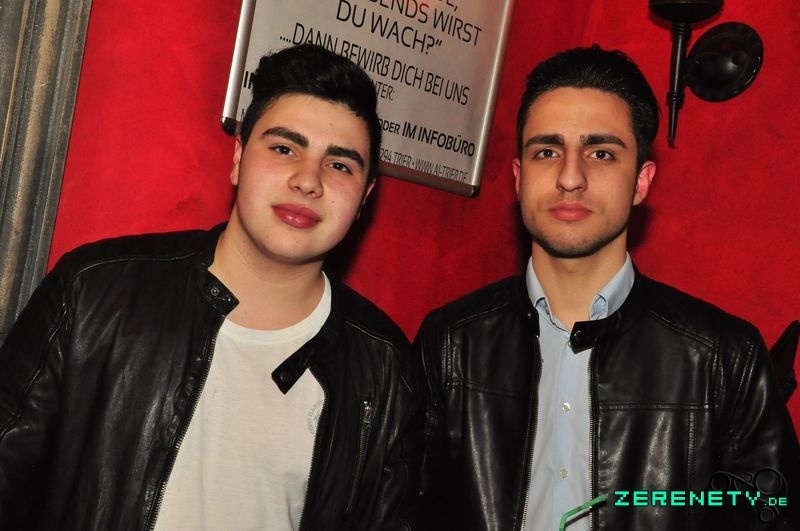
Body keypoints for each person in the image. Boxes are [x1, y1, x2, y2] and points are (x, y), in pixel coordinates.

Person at [0, 43, 423, 530]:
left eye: (340, 165)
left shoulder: (385, 366)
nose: (308, 181)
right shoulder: (94, 292)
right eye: (284, 148)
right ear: (239, 157)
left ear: (365, 196)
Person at [414, 45, 799, 531]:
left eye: (601, 153)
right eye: (547, 151)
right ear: (518, 177)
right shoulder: (450, 343)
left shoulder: (724, 357)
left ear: (641, 181)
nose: (570, 177)